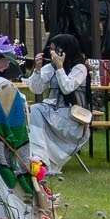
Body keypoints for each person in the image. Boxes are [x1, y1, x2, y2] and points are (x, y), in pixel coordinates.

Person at [27, 32, 89, 174]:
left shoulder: (80, 68)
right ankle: (39, 158)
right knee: (33, 110)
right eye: (51, 49)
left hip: (72, 116)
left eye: (56, 49)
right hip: (52, 111)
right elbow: (35, 89)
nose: (53, 53)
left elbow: (67, 88)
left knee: (35, 110)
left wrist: (60, 68)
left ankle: (39, 159)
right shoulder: (51, 67)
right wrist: (36, 69)